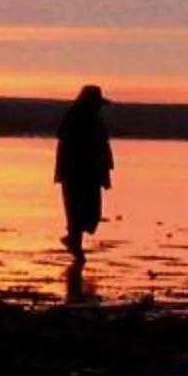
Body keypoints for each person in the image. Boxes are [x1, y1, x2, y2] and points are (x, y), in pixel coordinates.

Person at [53, 84, 113, 258]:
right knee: (78, 211)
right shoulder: (77, 118)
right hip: (78, 173)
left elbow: (101, 149)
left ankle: (73, 241)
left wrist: (104, 173)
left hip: (87, 173)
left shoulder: (88, 118)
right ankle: (75, 245)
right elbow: (77, 147)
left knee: (89, 213)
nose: (99, 107)